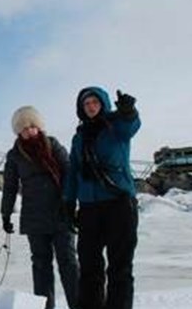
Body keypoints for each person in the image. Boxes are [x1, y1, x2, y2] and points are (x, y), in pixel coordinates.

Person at [64, 87, 141, 309]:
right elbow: (73, 172)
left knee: (120, 267)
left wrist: (129, 111)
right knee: (89, 266)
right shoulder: (79, 137)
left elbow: (131, 125)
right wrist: (68, 202)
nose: (90, 107)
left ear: (103, 104)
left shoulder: (117, 126)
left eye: (94, 103)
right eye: (86, 104)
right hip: (89, 208)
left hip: (119, 204)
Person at [1, 106, 79, 309]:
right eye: (25, 129)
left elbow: (70, 171)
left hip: (61, 213)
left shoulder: (53, 145)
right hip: (34, 218)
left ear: (39, 127)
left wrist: (69, 200)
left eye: (33, 126)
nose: (30, 131)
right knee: (41, 266)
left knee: (68, 263)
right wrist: (6, 214)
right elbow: (9, 186)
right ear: (19, 132)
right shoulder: (15, 155)